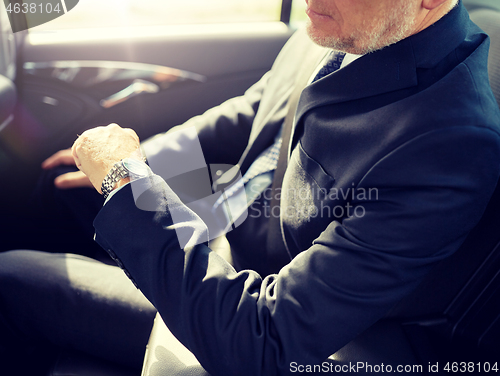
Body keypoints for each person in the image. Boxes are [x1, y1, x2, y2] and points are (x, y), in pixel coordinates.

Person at [1, 0, 500, 375]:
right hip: (234, 213)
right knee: (57, 189)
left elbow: (267, 339)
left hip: (244, 296)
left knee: (10, 278)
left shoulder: (451, 144)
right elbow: (259, 107)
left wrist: (127, 183)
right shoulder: (344, 24)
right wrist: (145, 158)